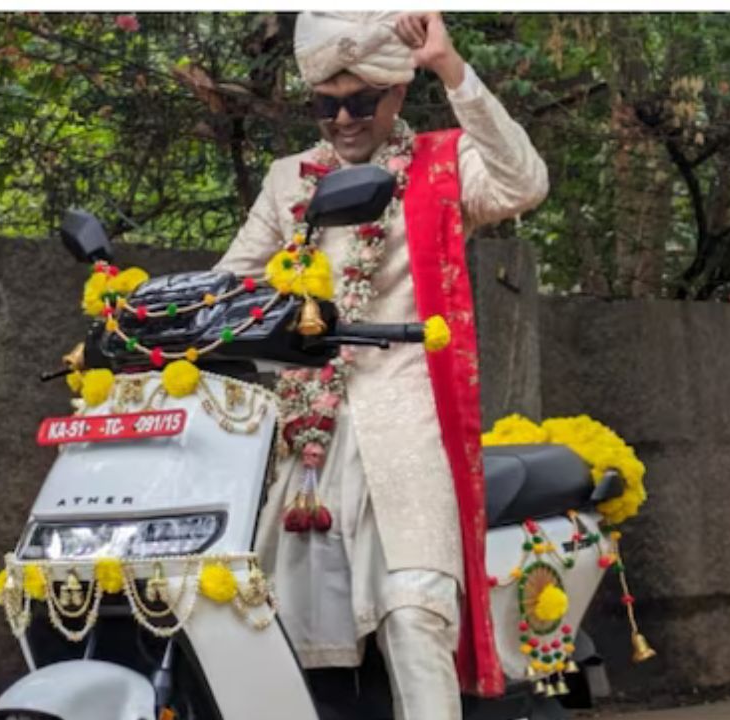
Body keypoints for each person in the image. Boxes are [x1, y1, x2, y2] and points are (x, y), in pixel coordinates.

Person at [214, 11, 548, 719]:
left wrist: (452, 69)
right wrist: (152, 322)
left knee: (414, 612)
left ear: (397, 94)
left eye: (359, 101)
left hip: (408, 422)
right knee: (271, 629)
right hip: (306, 439)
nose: (341, 120)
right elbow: (232, 285)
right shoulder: (287, 182)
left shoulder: (441, 164)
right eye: (325, 104)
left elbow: (523, 184)